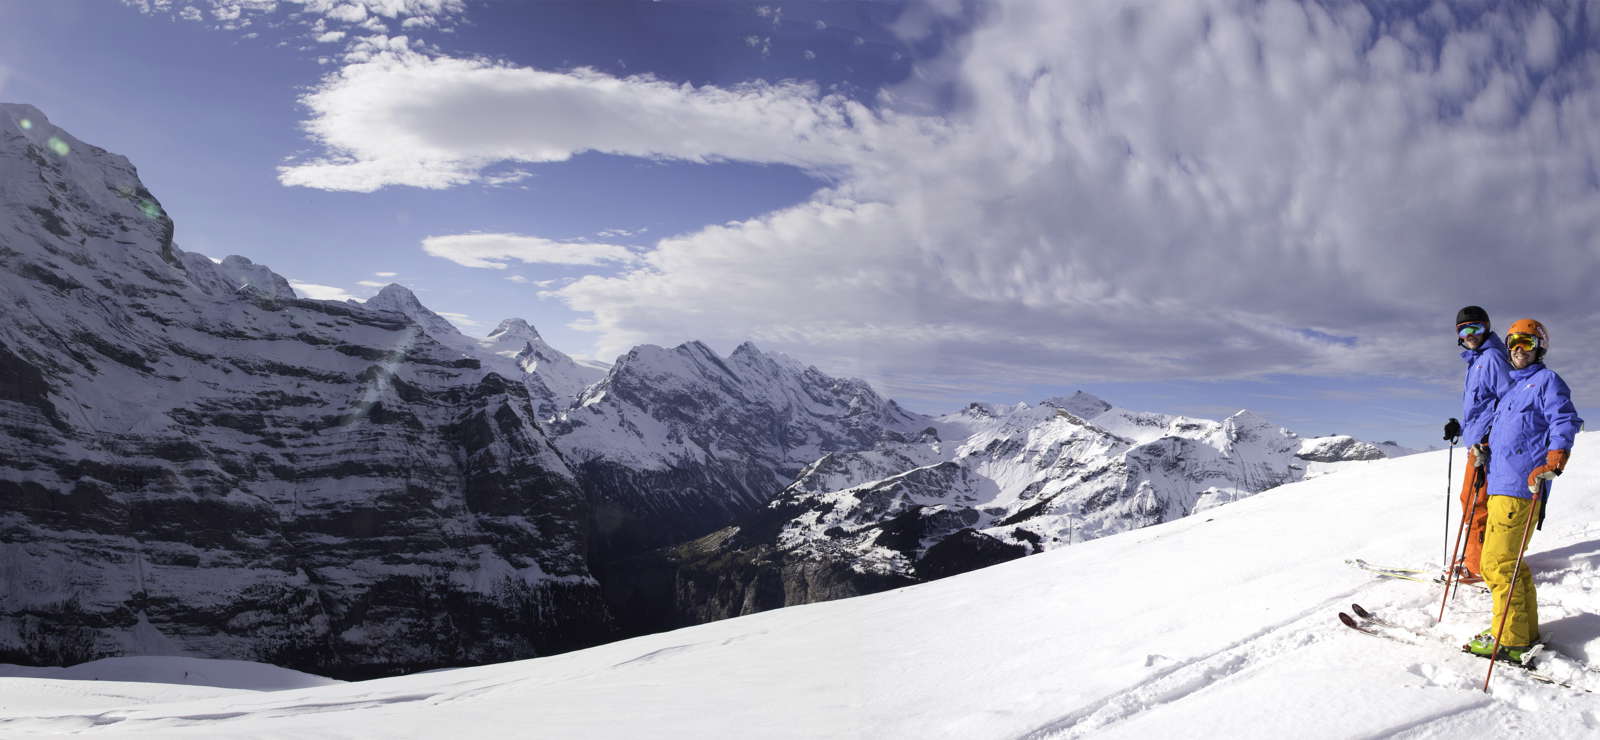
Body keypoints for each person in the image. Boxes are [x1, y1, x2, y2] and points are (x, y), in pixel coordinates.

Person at [1464, 318, 1581, 661]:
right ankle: (1523, 631)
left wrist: (1556, 456)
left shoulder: (1546, 382)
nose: (1517, 349)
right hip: (1501, 483)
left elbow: (1564, 419)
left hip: (1521, 487)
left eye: (1526, 343)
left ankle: (1510, 640)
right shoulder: (1512, 389)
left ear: (1539, 347)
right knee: (1512, 564)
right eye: (1513, 342)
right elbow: (1509, 433)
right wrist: (1485, 448)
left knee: (1497, 564)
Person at [1446, 306, 1511, 581]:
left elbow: (1509, 403)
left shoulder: (1493, 358)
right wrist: (1461, 427)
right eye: (1464, 330)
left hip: (1486, 447)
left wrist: (1488, 439)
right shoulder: (1477, 360)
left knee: (1477, 504)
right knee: (1470, 500)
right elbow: (1485, 406)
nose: (1470, 334)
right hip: (1477, 442)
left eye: (1476, 328)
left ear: (1487, 327)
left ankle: (1476, 565)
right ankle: (1476, 555)